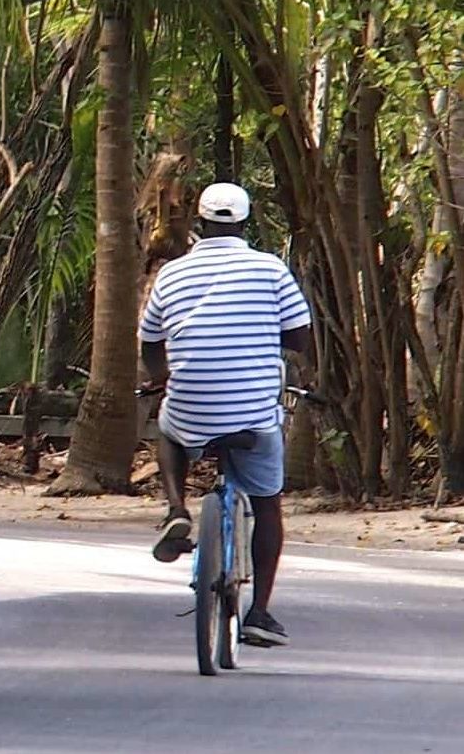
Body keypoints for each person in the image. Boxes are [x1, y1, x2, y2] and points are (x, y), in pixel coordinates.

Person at [137, 182, 311, 647]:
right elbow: (299, 337)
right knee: (269, 503)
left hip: (192, 404)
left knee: (170, 429)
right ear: (244, 223)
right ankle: (259, 613)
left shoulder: (172, 274)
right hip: (252, 413)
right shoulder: (270, 269)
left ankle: (176, 508)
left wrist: (160, 378)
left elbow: (150, 341)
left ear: (201, 222)